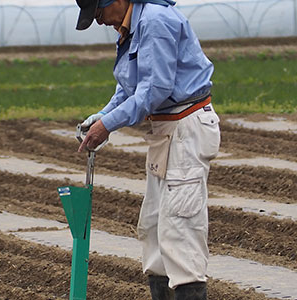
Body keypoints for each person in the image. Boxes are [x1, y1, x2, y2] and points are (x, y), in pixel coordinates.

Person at [75, 0, 221, 299]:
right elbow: (131, 86)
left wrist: (109, 126)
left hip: (186, 129)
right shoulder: (132, 25)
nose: (100, 22)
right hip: (165, 132)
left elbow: (155, 89)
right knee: (153, 229)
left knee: (179, 230)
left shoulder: (154, 21)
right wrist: (104, 116)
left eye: (99, 13)